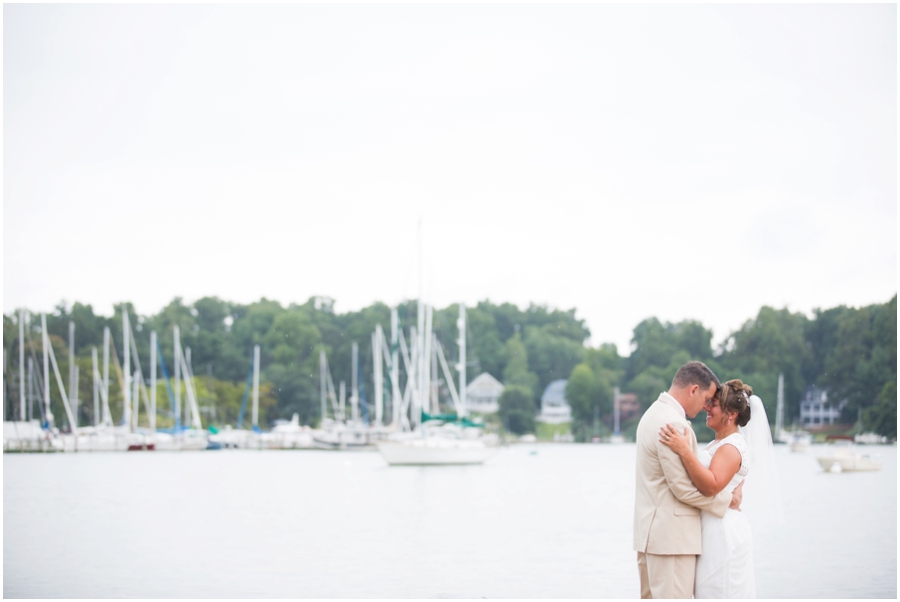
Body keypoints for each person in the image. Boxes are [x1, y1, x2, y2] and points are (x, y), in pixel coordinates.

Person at [659, 379, 780, 598]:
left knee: (717, 592)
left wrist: (684, 451)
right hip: (712, 527)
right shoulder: (720, 443)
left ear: (731, 414)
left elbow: (710, 486)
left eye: (713, 404)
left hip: (722, 533)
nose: (706, 407)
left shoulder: (731, 446)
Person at [633, 361, 742, 599]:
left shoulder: (652, 413)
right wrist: (727, 500)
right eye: (707, 398)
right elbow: (682, 489)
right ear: (693, 389)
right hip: (671, 540)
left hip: (650, 537)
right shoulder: (673, 423)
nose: (706, 406)